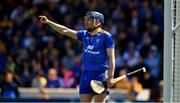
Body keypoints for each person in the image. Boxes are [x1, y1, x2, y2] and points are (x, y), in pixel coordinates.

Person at [39, 11, 115, 102]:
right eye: (85, 19)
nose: (85, 22)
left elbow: (111, 57)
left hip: (100, 76)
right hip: (85, 76)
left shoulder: (106, 37)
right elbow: (65, 30)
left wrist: (110, 76)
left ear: (98, 22)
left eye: (89, 19)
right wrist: (48, 22)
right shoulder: (84, 34)